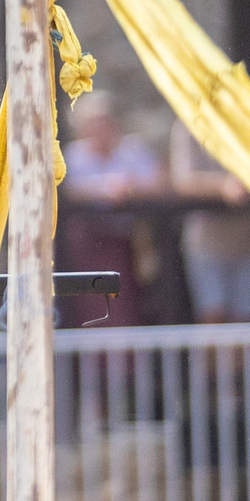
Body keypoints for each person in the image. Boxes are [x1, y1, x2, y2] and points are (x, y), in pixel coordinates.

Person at [59, 93, 160, 326]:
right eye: (94, 124)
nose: (101, 130)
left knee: (126, 302)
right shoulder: (73, 157)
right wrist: (103, 189)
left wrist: (132, 188)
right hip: (89, 243)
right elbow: (65, 190)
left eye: (105, 123)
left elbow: (158, 182)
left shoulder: (132, 150)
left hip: (128, 241)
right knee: (91, 303)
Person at [170, 123, 250, 322]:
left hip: (246, 241)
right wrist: (223, 186)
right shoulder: (190, 122)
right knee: (214, 317)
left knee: (246, 322)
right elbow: (183, 181)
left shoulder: (246, 119)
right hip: (206, 242)